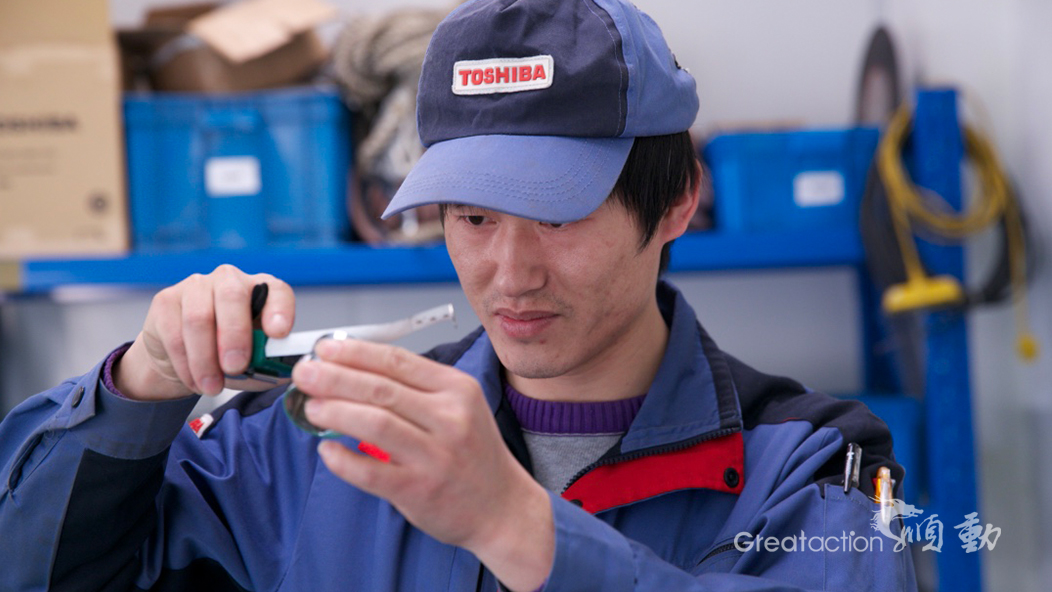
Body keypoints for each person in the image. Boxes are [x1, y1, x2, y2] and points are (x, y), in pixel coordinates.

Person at [0, 0, 918, 590]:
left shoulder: (818, 468)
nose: (509, 274)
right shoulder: (320, 447)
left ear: (679, 200)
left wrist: (517, 525)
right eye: (471, 217)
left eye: (558, 216)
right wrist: (136, 388)